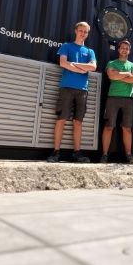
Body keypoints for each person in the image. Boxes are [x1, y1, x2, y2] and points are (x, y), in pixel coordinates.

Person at [47, 22, 97, 163]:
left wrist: (74, 64)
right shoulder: (66, 46)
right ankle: (56, 152)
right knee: (61, 119)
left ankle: (77, 153)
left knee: (78, 122)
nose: (83, 33)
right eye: (81, 30)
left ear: (87, 34)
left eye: (85, 32)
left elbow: (93, 67)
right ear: (76, 31)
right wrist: (82, 69)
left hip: (82, 90)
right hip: (66, 88)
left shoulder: (90, 51)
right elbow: (63, 63)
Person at [100, 40, 133, 164]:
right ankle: (104, 155)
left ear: (129, 51)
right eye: (122, 48)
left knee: (127, 128)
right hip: (113, 97)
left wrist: (119, 76)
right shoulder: (111, 63)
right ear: (118, 49)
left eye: (127, 48)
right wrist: (127, 74)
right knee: (108, 127)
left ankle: (128, 155)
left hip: (128, 99)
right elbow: (111, 76)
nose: (124, 50)